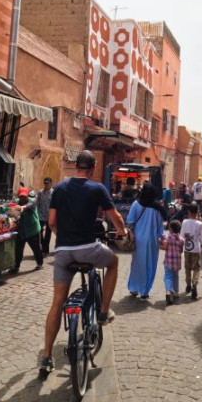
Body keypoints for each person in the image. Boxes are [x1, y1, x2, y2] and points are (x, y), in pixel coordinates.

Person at [40, 151, 126, 376]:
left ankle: (46, 357)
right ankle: (104, 312)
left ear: (76, 166)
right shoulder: (98, 188)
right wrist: (121, 230)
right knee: (114, 262)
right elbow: (114, 215)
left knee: (57, 303)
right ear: (93, 167)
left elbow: (51, 222)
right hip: (89, 249)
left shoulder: (59, 188)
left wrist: (62, 236)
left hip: (63, 252)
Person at [126, 183, 166, 299]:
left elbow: (130, 221)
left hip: (138, 240)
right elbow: (160, 229)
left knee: (137, 265)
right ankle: (145, 291)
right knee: (150, 265)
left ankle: (134, 288)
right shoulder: (157, 207)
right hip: (152, 241)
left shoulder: (136, 204)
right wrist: (164, 239)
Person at [181, 204, 202, 299]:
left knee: (187, 268)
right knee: (196, 268)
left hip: (186, 249)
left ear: (189, 212)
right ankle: (194, 284)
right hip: (196, 249)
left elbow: (181, 236)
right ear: (197, 212)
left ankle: (188, 285)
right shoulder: (199, 224)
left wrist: (181, 247)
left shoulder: (184, 222)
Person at [12, 187, 43, 272]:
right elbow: (12, 206)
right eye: (21, 196)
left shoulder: (32, 202)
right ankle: (16, 266)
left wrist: (21, 207)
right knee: (18, 249)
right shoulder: (17, 201)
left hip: (32, 230)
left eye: (24, 197)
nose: (22, 198)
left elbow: (28, 206)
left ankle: (39, 263)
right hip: (21, 230)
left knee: (36, 248)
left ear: (27, 196)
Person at [160, 219, 184, 304]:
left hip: (168, 261)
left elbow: (165, 247)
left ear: (171, 229)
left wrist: (159, 244)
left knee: (168, 276)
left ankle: (169, 290)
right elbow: (181, 251)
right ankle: (176, 292)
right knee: (175, 276)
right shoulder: (181, 239)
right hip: (177, 262)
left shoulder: (168, 237)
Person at [35, 177, 54, 255]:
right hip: (41, 215)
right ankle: (43, 246)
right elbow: (37, 203)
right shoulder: (40, 192)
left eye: (47, 183)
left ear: (51, 184)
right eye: (45, 183)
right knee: (39, 232)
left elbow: (55, 204)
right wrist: (36, 213)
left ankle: (46, 250)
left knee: (48, 234)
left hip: (49, 216)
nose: (46, 185)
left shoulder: (53, 193)